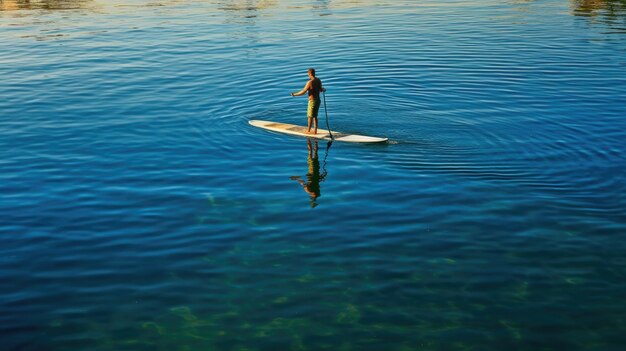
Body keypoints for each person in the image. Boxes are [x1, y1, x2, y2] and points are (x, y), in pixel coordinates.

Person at [290, 68, 326, 134]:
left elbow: (303, 92)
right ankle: (315, 131)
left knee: (310, 116)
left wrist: (294, 94)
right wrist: (323, 89)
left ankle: (308, 130)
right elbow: (321, 89)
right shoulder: (318, 80)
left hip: (312, 101)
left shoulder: (310, 82)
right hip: (318, 100)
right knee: (315, 116)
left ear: (309, 74)